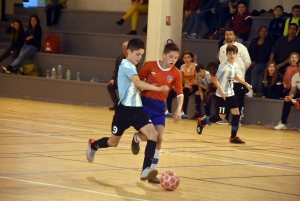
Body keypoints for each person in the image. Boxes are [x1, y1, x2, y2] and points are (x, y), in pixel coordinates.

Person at [86, 38, 169, 181]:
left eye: (141, 55)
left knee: (153, 135)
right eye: (137, 54)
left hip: (137, 110)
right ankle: (94, 145)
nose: (139, 58)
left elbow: (137, 85)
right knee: (113, 142)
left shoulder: (133, 66)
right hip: (124, 112)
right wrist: (159, 88)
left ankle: (146, 170)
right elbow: (137, 82)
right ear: (129, 52)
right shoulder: (126, 65)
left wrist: (146, 85)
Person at [130, 42, 183, 183]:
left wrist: (178, 108)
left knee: (159, 138)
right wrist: (148, 87)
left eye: (176, 58)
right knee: (150, 135)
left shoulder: (176, 73)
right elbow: (138, 83)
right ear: (164, 55)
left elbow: (179, 93)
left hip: (160, 108)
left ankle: (150, 172)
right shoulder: (150, 65)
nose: (173, 60)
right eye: (171, 56)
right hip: (146, 104)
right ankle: (137, 138)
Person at [196, 45, 252, 144]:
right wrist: (221, 91)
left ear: (236, 54)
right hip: (222, 96)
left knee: (236, 114)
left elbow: (235, 76)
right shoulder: (223, 66)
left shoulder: (235, 65)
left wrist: (246, 83)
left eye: (233, 53)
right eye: (229, 53)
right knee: (221, 117)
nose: (231, 55)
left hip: (231, 94)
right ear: (226, 54)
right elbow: (216, 80)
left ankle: (233, 137)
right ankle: (203, 121)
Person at [218, 29, 251, 124]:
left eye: (230, 34)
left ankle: (237, 119)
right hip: (226, 80)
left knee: (238, 100)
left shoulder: (241, 47)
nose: (228, 36)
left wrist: (240, 71)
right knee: (226, 99)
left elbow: (247, 61)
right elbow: (221, 62)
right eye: (226, 34)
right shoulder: (222, 48)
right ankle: (225, 118)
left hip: (238, 79)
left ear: (234, 36)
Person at [165, 51, 199, 119]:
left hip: (194, 85)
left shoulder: (195, 66)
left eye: (188, 57)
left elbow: (197, 80)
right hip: (186, 85)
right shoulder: (182, 66)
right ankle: (168, 111)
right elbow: (179, 78)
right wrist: (175, 85)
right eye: (185, 58)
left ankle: (184, 112)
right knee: (171, 91)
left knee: (185, 91)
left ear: (191, 58)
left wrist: (189, 85)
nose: (186, 59)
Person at [274, 61, 300, 131]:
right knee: (287, 102)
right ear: (297, 67)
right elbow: (293, 91)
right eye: (299, 66)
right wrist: (290, 97)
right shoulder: (295, 76)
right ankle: (283, 123)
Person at [248, 26, 272, 96]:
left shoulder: (269, 42)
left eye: (265, 31)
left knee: (255, 70)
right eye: (262, 31)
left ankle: (252, 90)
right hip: (252, 61)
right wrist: (251, 61)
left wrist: (256, 62)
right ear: (259, 32)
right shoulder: (254, 41)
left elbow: (266, 55)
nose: (263, 33)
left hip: (263, 62)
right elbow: (249, 52)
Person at [107, 41, 128, 110]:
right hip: (119, 80)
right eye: (124, 48)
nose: (125, 50)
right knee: (110, 86)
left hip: (127, 81)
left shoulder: (131, 59)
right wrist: (113, 78)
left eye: (127, 48)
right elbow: (116, 69)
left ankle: (124, 106)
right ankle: (117, 104)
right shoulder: (119, 58)